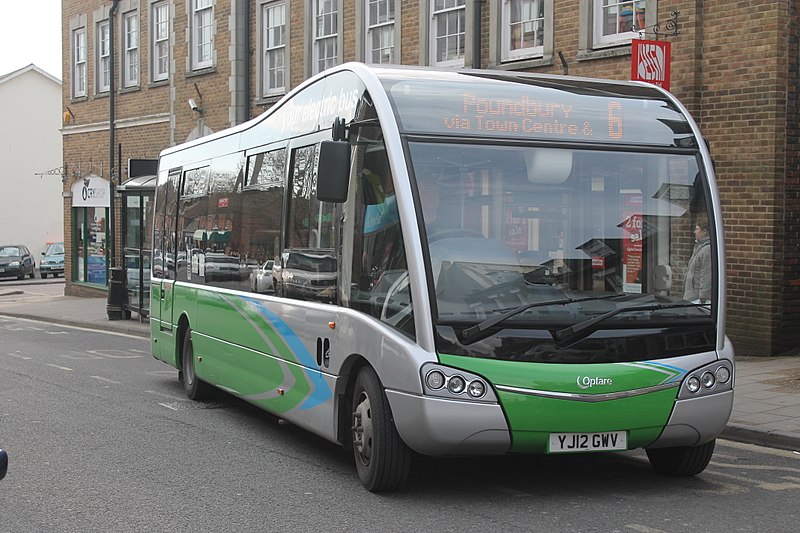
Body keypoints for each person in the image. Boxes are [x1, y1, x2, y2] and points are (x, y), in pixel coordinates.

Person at [683, 222, 712, 303]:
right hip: (691, 296)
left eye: (697, 229)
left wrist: (703, 299)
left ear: (705, 231)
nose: (694, 232)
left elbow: (706, 275)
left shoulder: (707, 250)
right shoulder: (698, 247)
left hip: (697, 299)